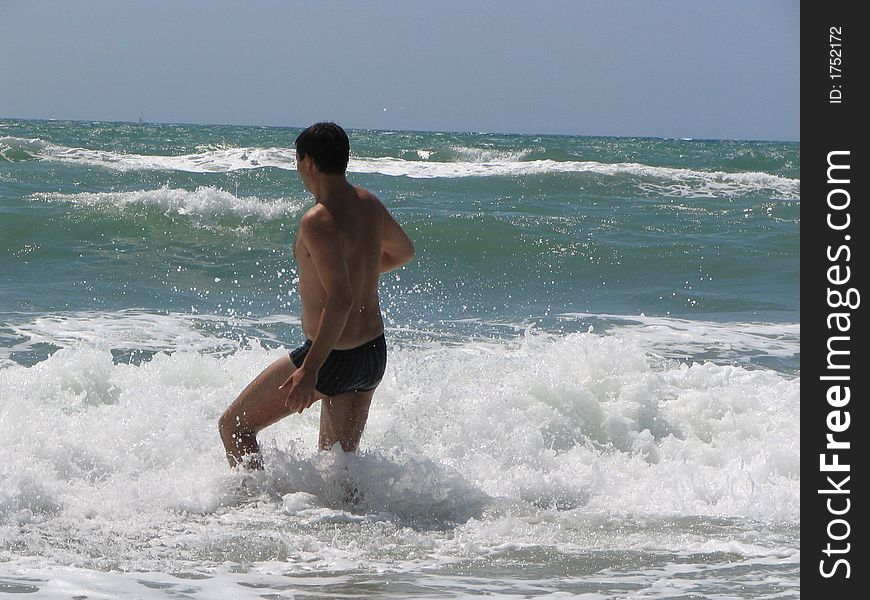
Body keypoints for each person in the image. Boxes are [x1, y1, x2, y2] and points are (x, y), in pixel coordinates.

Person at [219, 122, 415, 469]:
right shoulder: (369, 204)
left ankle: (253, 511)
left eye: (297, 161)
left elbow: (341, 299)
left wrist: (310, 370)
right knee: (336, 471)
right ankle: (352, 523)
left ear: (308, 162)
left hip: (332, 358)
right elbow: (403, 252)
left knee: (235, 426)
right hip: (371, 354)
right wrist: (362, 274)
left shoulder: (317, 220)